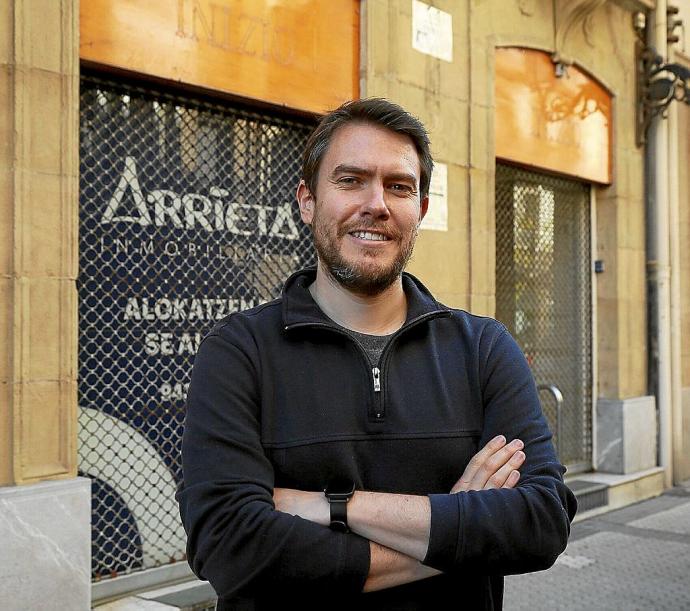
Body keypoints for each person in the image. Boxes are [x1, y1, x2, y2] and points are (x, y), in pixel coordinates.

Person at [177, 98, 577, 610]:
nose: (377, 204)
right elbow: (228, 545)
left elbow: (541, 522)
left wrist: (331, 506)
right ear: (307, 201)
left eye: (399, 186)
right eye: (350, 181)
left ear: (422, 210)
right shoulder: (238, 351)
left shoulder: (483, 348)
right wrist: (458, 527)